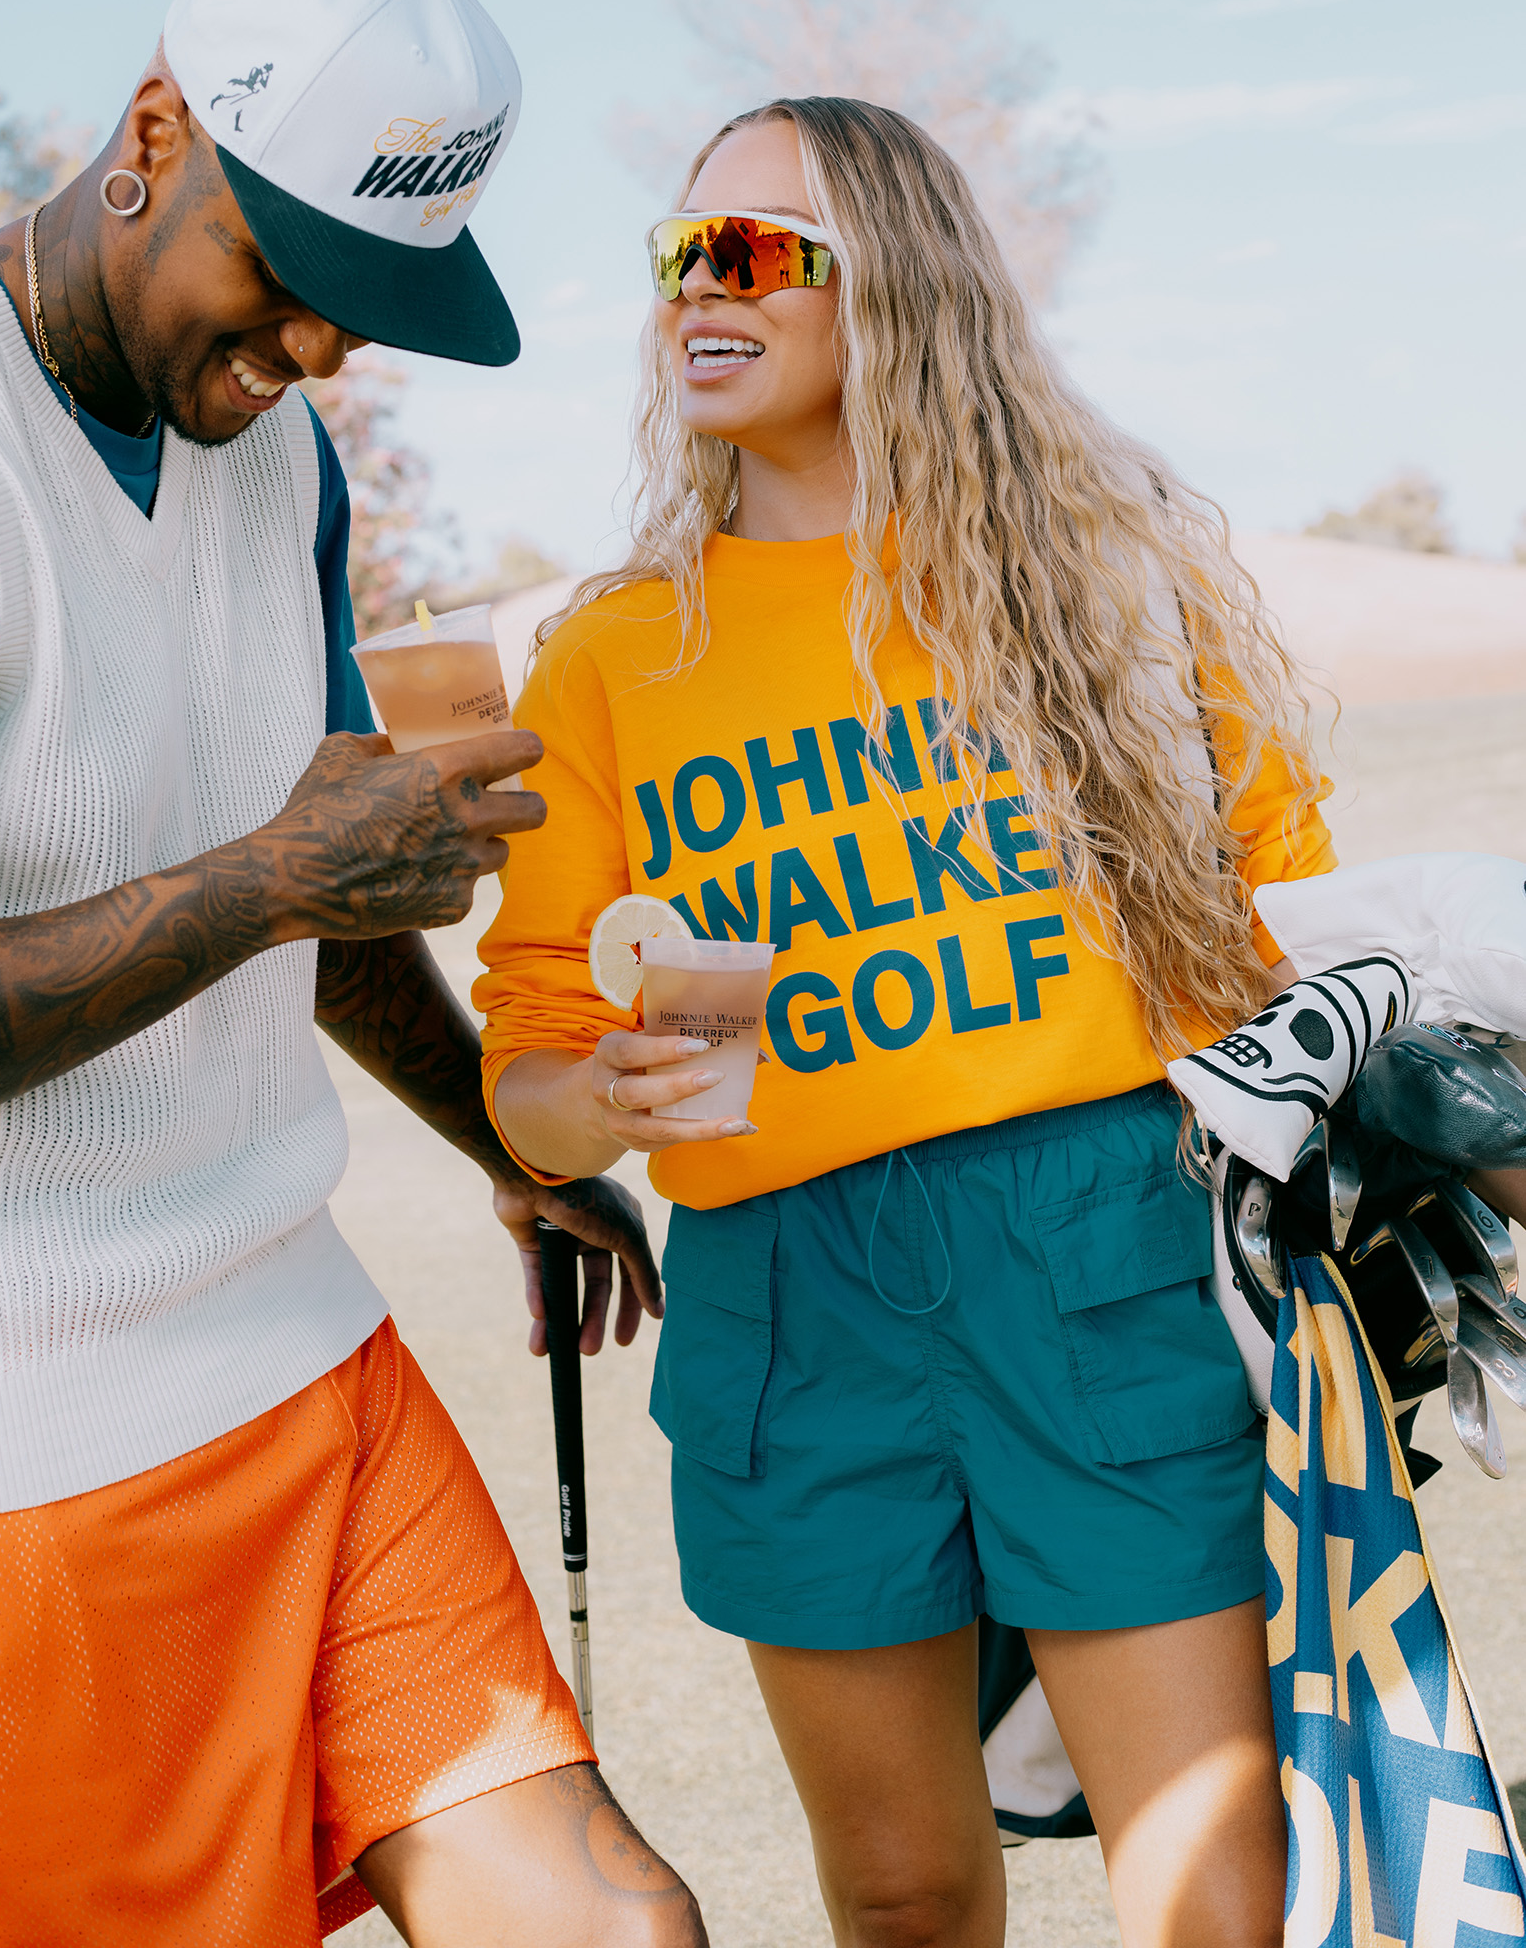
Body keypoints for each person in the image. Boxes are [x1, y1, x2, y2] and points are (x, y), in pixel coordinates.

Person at [0, 0, 700, 1948]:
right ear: (149, 135)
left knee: (612, 1926)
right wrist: (258, 888)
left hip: (294, 1343)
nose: (310, 350)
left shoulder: (273, 459)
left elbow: (326, 858)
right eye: (290, 276)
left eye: (360, 312)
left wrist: (501, 1145)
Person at [478, 96, 1339, 1948]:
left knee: (1210, 1889)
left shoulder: (1100, 588)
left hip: (1091, 1243)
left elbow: (1295, 928)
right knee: (898, 1894)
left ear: (907, 294)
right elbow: (533, 1080)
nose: (700, 290)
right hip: (788, 1295)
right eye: (679, 252)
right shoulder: (612, 656)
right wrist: (595, 1102)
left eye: (762, 252)